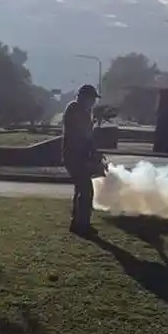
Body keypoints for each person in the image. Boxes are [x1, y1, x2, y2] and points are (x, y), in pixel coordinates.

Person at [62, 83, 102, 237]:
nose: (93, 102)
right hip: (75, 156)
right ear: (84, 97)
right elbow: (82, 136)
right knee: (86, 191)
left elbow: (87, 137)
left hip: (76, 156)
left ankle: (77, 223)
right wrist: (90, 154)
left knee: (81, 189)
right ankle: (81, 225)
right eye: (92, 98)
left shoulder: (80, 110)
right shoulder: (77, 110)